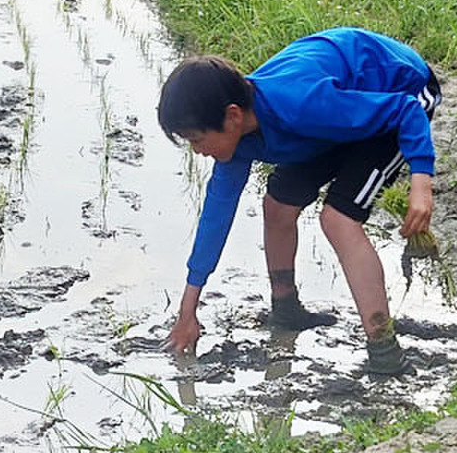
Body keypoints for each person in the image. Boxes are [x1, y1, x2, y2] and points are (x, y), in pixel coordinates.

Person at [156, 27, 442, 375]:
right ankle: (286, 309)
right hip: (338, 114)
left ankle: (385, 352)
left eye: (197, 140)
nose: (197, 151)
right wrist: (188, 309)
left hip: (401, 92)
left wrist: (421, 182)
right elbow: (215, 219)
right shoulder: (240, 140)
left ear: (232, 116)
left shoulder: (301, 104)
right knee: (277, 205)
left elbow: (406, 109)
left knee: (338, 219)